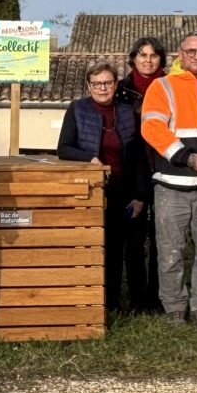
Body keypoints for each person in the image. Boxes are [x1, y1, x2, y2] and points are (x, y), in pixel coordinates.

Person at [140, 32, 197, 331]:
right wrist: (186, 156)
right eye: (191, 51)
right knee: (170, 254)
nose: (196, 56)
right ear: (180, 53)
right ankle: (175, 308)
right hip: (171, 184)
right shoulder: (162, 86)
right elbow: (152, 128)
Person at [57, 60, 145, 313]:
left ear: (116, 84)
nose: (102, 88)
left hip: (124, 192)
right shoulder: (77, 109)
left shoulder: (128, 112)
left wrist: (140, 195)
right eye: (96, 84)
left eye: (107, 82)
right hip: (93, 192)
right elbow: (63, 147)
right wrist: (90, 159)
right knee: (99, 248)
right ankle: (97, 302)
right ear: (89, 86)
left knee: (124, 250)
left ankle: (124, 303)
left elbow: (138, 156)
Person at [116, 37, 166, 311]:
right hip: (132, 172)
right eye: (142, 54)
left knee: (162, 238)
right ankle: (136, 298)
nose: (148, 60)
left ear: (161, 59)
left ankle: (157, 296)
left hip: (165, 167)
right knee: (134, 240)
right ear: (133, 58)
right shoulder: (120, 91)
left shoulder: (170, 87)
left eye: (154, 55)